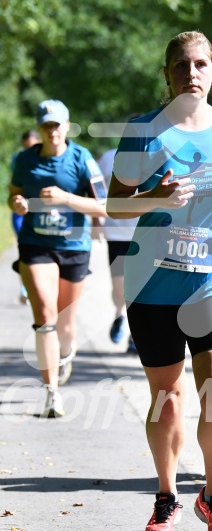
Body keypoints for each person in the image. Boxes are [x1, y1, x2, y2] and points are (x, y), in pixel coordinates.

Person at [107, 31, 212, 531]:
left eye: (200, 64)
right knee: (166, 401)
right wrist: (156, 195)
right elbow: (115, 206)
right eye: (180, 65)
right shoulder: (144, 131)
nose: (191, 72)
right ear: (167, 75)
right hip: (154, 283)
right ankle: (167, 495)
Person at [8, 99, 107, 418]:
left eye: (57, 125)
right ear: (40, 128)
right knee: (46, 316)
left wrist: (66, 198)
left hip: (74, 247)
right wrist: (18, 203)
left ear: (67, 126)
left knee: (66, 325)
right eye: (46, 125)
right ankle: (52, 392)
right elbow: (13, 194)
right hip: (36, 244)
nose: (52, 131)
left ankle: (65, 352)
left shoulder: (82, 159)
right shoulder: (24, 160)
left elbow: (104, 204)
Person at [97, 115, 141, 353]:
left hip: (145, 234)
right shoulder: (108, 158)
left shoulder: (156, 158)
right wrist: (96, 219)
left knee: (140, 288)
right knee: (119, 288)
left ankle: (135, 337)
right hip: (116, 234)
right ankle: (119, 314)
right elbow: (97, 193)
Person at [10, 130, 41, 303]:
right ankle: (25, 287)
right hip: (20, 213)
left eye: (31, 146)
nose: (28, 149)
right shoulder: (19, 159)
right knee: (25, 249)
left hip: (39, 212)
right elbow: (13, 186)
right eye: (25, 147)